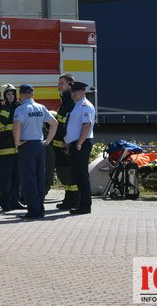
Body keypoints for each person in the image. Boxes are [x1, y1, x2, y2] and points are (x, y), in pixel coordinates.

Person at [13, 84, 58, 219]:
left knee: (28, 179)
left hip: (26, 145)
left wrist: (17, 142)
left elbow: (16, 126)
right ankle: (40, 207)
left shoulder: (20, 109)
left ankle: (33, 210)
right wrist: (48, 140)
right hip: (39, 145)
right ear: (32, 94)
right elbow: (54, 123)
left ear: (20, 95)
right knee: (39, 178)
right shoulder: (41, 107)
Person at [64, 81, 95, 215]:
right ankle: (82, 204)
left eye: (76, 91)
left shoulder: (85, 105)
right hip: (75, 144)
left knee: (82, 175)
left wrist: (79, 143)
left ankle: (85, 206)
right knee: (77, 175)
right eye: (72, 91)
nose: (73, 94)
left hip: (81, 144)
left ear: (83, 91)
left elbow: (87, 125)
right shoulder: (76, 105)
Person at [0, 84, 23, 212]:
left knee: (17, 177)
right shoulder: (0, 109)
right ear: (3, 96)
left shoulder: (17, 108)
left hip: (17, 148)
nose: (11, 96)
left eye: (12, 94)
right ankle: (5, 203)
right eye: (8, 94)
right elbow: (0, 124)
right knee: (6, 178)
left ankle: (15, 201)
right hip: (5, 149)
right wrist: (5, 108)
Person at [52, 73, 80, 210]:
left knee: (70, 173)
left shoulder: (71, 101)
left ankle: (75, 200)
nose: (59, 86)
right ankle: (68, 199)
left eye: (61, 84)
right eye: (59, 84)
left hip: (66, 144)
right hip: (60, 144)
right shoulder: (65, 100)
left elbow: (70, 125)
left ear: (70, 85)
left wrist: (68, 143)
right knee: (64, 173)